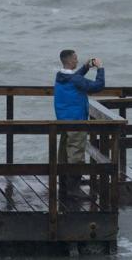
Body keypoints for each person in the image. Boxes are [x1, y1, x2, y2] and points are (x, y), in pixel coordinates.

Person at [53, 49, 105, 198]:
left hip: (63, 120)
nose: (77, 61)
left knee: (64, 153)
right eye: (75, 59)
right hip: (76, 121)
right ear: (69, 61)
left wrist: (86, 67)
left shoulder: (60, 76)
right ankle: (73, 190)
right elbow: (98, 86)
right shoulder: (75, 80)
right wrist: (100, 68)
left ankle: (63, 186)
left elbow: (75, 78)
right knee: (76, 153)